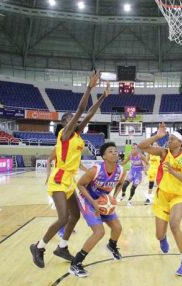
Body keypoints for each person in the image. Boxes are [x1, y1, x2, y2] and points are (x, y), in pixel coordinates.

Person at [30, 73, 111, 269]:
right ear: (65, 123)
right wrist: (89, 89)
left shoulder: (76, 133)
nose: (74, 121)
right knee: (63, 217)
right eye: (70, 119)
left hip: (68, 180)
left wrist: (103, 97)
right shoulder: (65, 134)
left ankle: (62, 247)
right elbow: (82, 110)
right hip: (58, 179)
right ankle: (38, 247)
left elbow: (89, 114)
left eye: (73, 120)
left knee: (75, 215)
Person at [138, 123, 182, 276]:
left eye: (172, 139)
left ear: (180, 143)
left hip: (178, 196)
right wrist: (157, 135)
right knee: (158, 235)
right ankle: (163, 239)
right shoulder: (163, 153)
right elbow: (142, 147)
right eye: (169, 138)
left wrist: (172, 171)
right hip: (162, 196)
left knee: (175, 224)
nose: (169, 141)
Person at [69, 142, 126, 277]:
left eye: (115, 151)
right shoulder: (95, 170)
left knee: (117, 228)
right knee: (99, 232)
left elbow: (121, 183)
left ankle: (112, 246)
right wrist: (93, 202)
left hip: (103, 201)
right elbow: (80, 185)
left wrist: (114, 198)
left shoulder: (121, 171)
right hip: (87, 200)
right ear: (104, 156)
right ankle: (75, 264)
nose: (114, 153)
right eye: (110, 151)